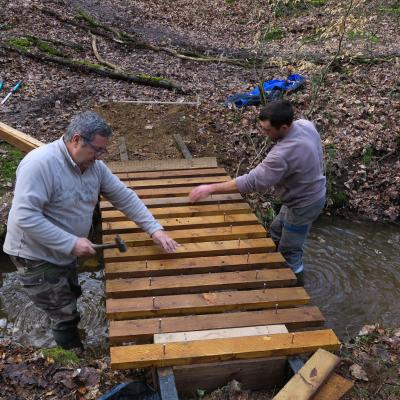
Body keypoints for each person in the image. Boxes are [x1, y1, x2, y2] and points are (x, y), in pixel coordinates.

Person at [3, 111, 179, 350]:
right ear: (76, 139)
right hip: (35, 255)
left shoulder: (94, 167)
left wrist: (154, 229)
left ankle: (68, 322)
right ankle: (73, 355)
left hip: (64, 251)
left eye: (102, 152)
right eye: (96, 150)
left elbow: (124, 197)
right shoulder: (40, 164)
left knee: (71, 292)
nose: (98, 157)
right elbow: (25, 216)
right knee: (63, 313)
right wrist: (71, 243)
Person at [189, 100, 326, 285]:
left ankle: (295, 288)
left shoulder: (283, 153)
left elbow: (253, 182)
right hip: (304, 195)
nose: (264, 133)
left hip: (304, 204)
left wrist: (210, 188)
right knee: (276, 231)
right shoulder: (304, 125)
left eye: (267, 130)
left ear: (284, 127)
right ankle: (272, 266)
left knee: (290, 251)